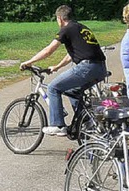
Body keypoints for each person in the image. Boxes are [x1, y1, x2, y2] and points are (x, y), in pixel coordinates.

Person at [20, 5, 107, 136]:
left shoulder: (66, 29)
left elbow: (48, 50)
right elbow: (73, 53)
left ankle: (58, 125)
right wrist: (57, 67)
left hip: (86, 67)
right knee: (72, 91)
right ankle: (85, 121)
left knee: (53, 88)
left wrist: (28, 62)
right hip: (100, 68)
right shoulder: (80, 27)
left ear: (60, 18)